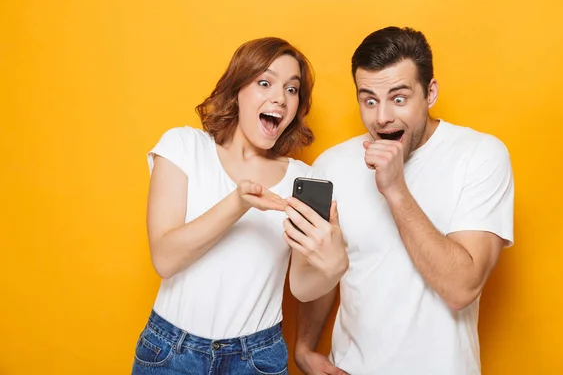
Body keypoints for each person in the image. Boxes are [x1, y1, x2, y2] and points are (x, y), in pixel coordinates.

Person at [293, 26, 515, 374]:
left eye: (398, 98)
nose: (382, 117)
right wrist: (304, 347)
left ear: (430, 93)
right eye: (369, 100)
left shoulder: (480, 156)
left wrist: (395, 189)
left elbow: (461, 287)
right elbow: (326, 269)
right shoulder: (332, 166)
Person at [131, 37, 349, 375]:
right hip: (171, 352)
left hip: (257, 359)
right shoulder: (184, 147)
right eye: (265, 82)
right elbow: (164, 258)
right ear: (237, 90)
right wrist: (237, 203)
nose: (280, 97)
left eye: (292, 90)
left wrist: (333, 266)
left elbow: (301, 288)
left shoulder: (303, 180)